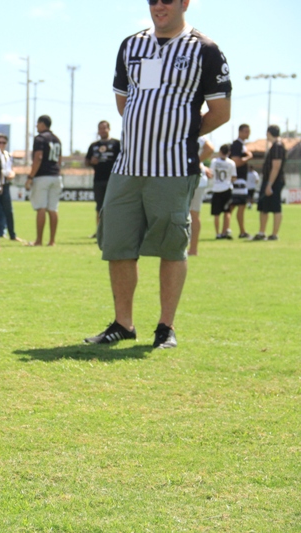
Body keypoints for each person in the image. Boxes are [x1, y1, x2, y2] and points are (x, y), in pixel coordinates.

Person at [86, 0, 231, 349]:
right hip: (127, 166)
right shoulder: (131, 44)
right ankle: (123, 323)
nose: (159, 6)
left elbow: (221, 112)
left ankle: (166, 327)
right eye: (153, 0)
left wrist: (180, 133)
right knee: (118, 244)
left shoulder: (205, 49)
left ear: (185, 2)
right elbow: (125, 104)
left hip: (173, 168)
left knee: (172, 246)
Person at [24, 115, 62, 246]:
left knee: (41, 208)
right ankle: (52, 241)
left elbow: (38, 157)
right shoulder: (57, 139)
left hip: (42, 177)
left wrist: (30, 177)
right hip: (56, 176)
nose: (36, 126)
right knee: (53, 209)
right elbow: (60, 160)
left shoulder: (39, 138)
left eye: (37, 124)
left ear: (42, 124)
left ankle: (39, 240)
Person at [85, 120, 120, 238]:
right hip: (98, 180)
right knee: (99, 207)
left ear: (109, 129)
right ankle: (99, 233)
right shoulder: (94, 146)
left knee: (113, 206)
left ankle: (113, 232)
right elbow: (86, 161)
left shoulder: (117, 144)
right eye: (100, 128)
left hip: (113, 180)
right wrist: (91, 162)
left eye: (104, 128)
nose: (102, 131)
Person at [253, 125, 286, 241]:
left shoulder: (277, 146)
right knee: (264, 207)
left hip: (273, 182)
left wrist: (269, 184)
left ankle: (274, 234)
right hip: (270, 181)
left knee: (276, 207)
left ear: (268, 133)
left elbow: (276, 167)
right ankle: (262, 232)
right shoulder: (275, 146)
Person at [0, 133, 21, 242]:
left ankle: (12, 234)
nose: (1, 145)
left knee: (8, 211)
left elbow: (11, 169)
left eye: (3, 143)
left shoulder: (8, 155)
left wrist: (12, 174)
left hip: (5, 185)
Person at [188, 136, 214, 256]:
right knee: (193, 214)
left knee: (192, 214)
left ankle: (192, 249)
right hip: (197, 177)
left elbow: (209, 148)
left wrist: (194, 162)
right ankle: (192, 248)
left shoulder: (194, 132)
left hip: (192, 178)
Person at [229, 124, 252, 238]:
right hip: (238, 180)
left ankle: (227, 229)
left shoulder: (243, 145)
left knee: (234, 205)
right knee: (238, 205)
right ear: (240, 132)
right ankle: (241, 231)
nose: (248, 134)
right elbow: (236, 162)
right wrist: (249, 157)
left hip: (240, 180)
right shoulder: (237, 145)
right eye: (246, 131)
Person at [209, 144, 236, 239]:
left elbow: (211, 174)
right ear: (229, 152)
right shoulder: (231, 163)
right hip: (227, 188)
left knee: (216, 214)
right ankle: (225, 231)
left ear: (220, 151)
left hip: (216, 188)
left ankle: (218, 233)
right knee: (227, 211)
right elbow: (233, 177)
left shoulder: (214, 161)